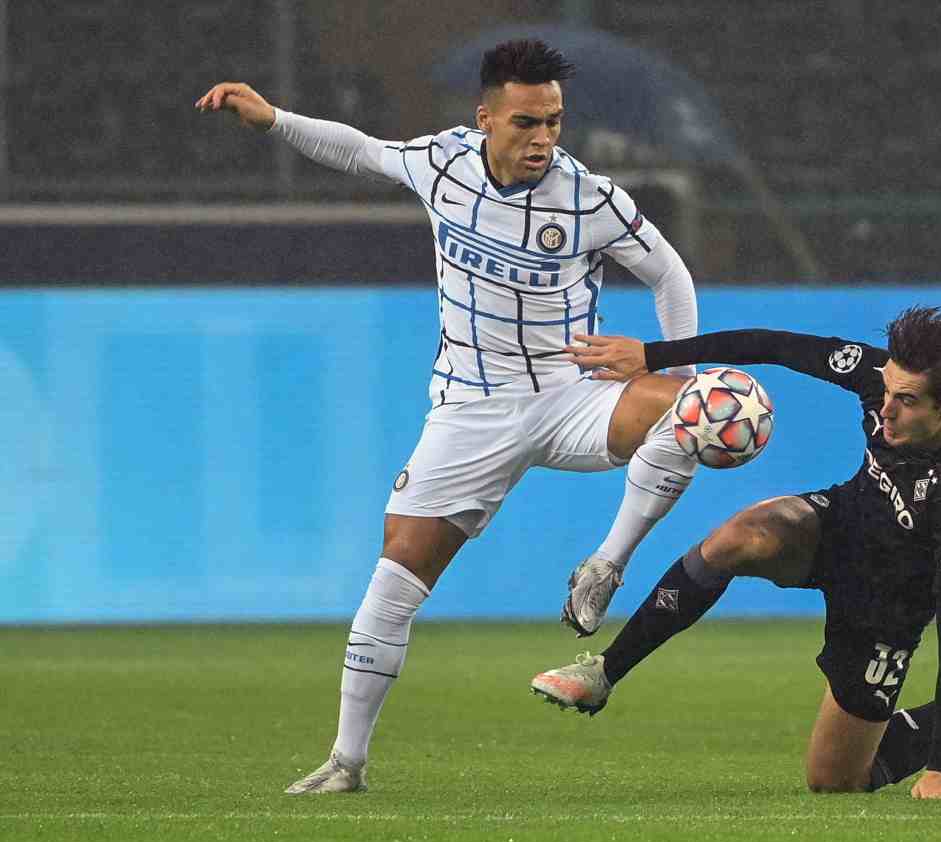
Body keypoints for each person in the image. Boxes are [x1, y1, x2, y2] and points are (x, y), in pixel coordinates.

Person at [196, 39, 702, 794]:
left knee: (707, 408)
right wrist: (273, 119)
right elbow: (361, 152)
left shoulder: (589, 197)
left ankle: (606, 566)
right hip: (470, 408)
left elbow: (669, 271)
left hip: (573, 397)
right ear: (486, 116)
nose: (543, 139)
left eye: (555, 122)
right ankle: (347, 761)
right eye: (527, 122)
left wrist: (669, 365)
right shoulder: (442, 163)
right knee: (394, 580)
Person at [531, 308, 941, 799]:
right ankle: (604, 673)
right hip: (841, 524)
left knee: (835, 781)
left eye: (905, 402)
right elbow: (774, 344)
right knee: (738, 537)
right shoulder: (889, 378)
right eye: (885, 391)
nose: (884, 411)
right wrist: (653, 356)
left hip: (890, 604)